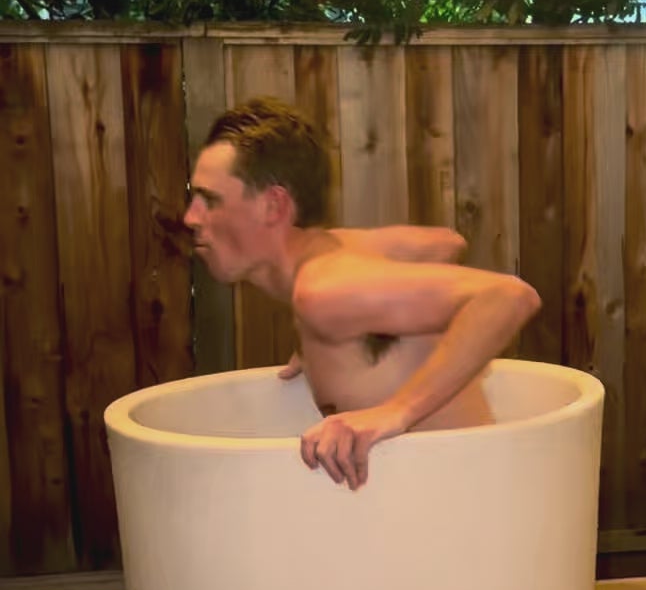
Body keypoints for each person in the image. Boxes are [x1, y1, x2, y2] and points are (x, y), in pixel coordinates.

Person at [183, 96, 540, 489]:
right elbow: (447, 243)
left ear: (273, 206)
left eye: (210, 200)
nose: (190, 217)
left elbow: (508, 297)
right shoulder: (335, 256)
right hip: (445, 492)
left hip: (464, 500)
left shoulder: (324, 291)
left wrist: (396, 411)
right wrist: (348, 324)